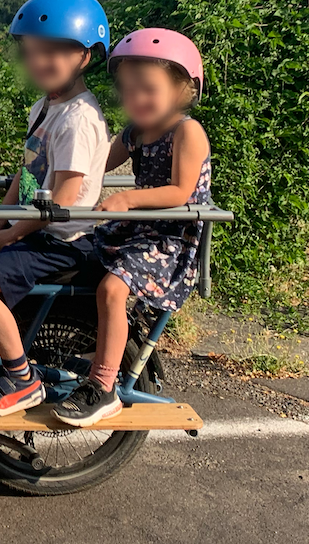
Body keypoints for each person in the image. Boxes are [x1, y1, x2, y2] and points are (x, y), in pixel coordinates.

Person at [0, 0, 112, 415]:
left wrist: (12, 233)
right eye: (31, 53)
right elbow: (27, 174)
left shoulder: (79, 118)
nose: (39, 63)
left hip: (64, 238)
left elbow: (62, 199)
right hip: (37, 228)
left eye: (52, 53)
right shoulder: (44, 107)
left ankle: (20, 378)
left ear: (85, 57)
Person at [52, 28, 213, 427]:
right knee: (73, 255)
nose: (134, 100)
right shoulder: (134, 132)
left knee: (112, 287)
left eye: (148, 89)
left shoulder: (186, 131)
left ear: (183, 90)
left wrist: (128, 198)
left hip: (168, 239)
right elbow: (93, 162)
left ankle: (103, 387)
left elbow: (180, 191)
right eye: (126, 91)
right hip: (137, 231)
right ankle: (84, 340)